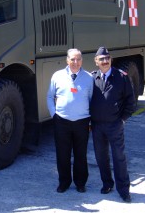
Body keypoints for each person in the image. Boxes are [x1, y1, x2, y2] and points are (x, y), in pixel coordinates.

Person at [90, 47, 136, 203]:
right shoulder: (92, 78)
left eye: (107, 58)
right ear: (96, 62)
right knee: (101, 157)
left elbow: (130, 101)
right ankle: (107, 184)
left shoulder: (121, 77)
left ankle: (123, 190)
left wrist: (123, 119)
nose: (105, 61)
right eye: (101, 59)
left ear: (111, 59)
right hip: (97, 126)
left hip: (114, 125)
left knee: (119, 157)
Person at [47, 48, 93, 193]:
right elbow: (49, 96)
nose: (75, 62)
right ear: (67, 60)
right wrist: (54, 114)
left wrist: (91, 120)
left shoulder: (88, 78)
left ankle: (80, 183)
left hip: (82, 122)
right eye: (72, 59)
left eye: (78, 59)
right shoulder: (57, 76)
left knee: (81, 154)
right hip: (62, 121)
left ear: (82, 61)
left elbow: (92, 100)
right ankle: (64, 182)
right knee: (62, 154)